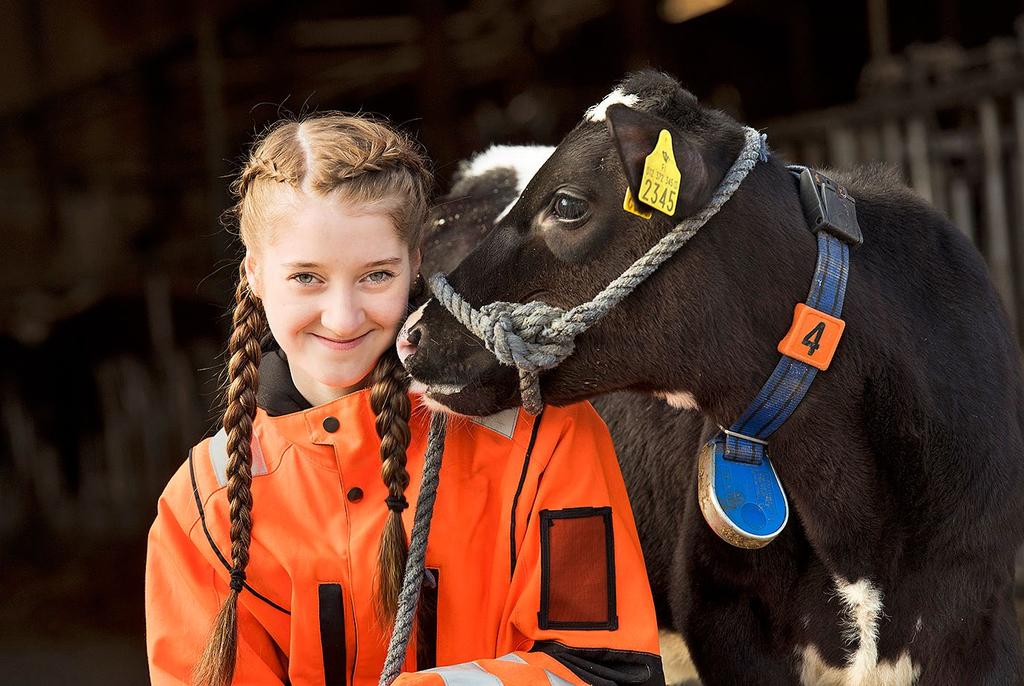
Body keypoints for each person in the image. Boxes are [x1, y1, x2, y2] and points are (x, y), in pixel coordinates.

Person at [145, 113, 664, 686]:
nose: (342, 317)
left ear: (416, 264)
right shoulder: (204, 502)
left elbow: (609, 671)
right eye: (306, 278)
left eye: (375, 276)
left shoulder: (546, 437)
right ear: (255, 274)